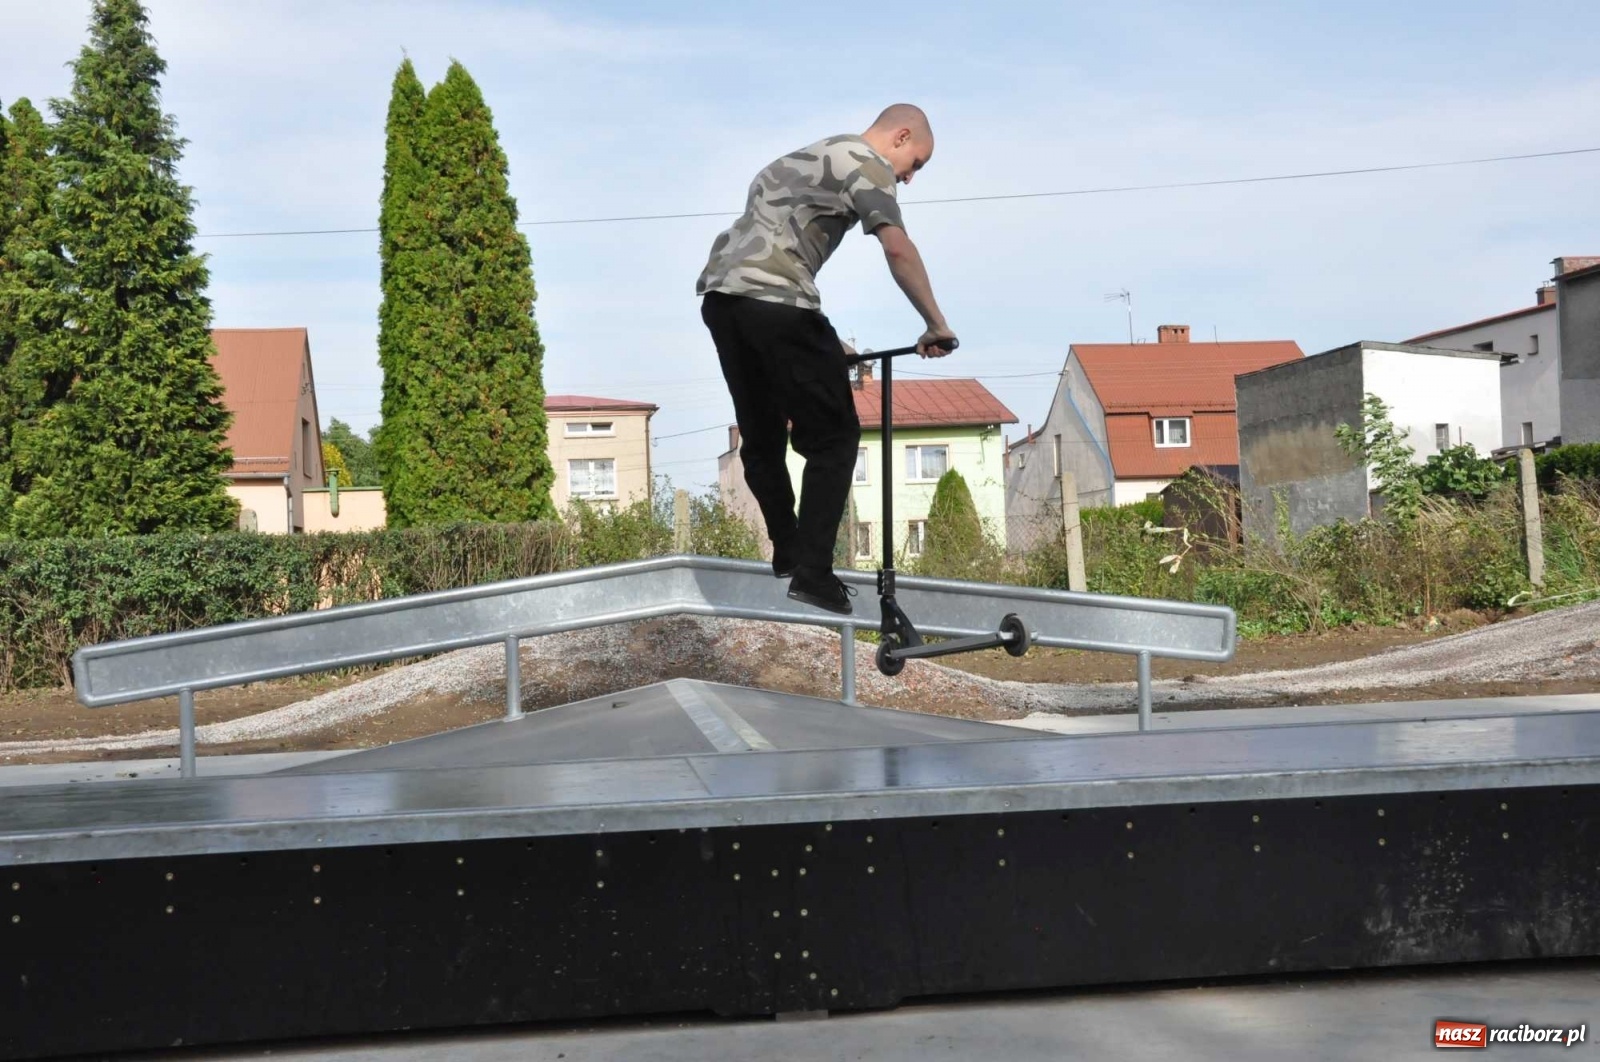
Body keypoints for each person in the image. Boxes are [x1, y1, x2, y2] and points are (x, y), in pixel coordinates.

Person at [697, 104, 957, 614]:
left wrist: (823, 344)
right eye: (916, 163)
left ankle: (787, 549)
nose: (908, 177)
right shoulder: (867, 164)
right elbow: (897, 248)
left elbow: (771, 250)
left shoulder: (802, 157)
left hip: (724, 302)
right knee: (836, 437)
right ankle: (814, 572)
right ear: (900, 136)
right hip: (778, 302)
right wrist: (935, 322)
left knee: (762, 435)